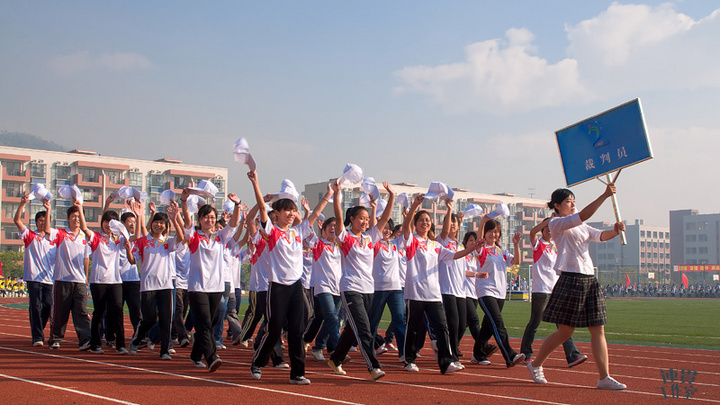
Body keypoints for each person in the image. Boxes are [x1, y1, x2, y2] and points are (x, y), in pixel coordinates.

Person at [527, 184, 627, 390]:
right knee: (565, 332)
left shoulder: (581, 226)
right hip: (571, 279)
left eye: (573, 200)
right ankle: (535, 364)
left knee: (598, 329)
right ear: (557, 206)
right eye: (568, 201)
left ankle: (604, 377)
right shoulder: (556, 223)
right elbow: (583, 215)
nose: (572, 204)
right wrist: (605, 195)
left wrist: (615, 232)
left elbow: (599, 235)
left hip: (589, 279)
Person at [248, 171, 330, 385]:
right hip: (277, 287)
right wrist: (256, 182)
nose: (291, 214)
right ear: (278, 212)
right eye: (287, 211)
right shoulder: (272, 232)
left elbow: (314, 215)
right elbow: (262, 209)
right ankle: (258, 362)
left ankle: (297, 373)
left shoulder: (298, 232)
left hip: (296, 286)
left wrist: (328, 195)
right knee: (274, 329)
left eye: (293, 211)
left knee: (296, 330)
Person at [327, 181, 395, 380]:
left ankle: (335, 359)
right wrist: (337, 195)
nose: (365, 222)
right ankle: (373, 367)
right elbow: (339, 217)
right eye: (361, 218)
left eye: (367, 219)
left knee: (351, 330)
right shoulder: (345, 237)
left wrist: (390, 196)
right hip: (350, 288)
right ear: (352, 220)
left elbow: (385, 218)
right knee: (364, 330)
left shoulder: (370, 237)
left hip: (368, 290)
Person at [401, 195, 477, 374]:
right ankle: (409, 360)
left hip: (434, 294)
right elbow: (405, 226)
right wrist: (414, 207)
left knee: (442, 328)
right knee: (413, 328)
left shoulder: (435, 245)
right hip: (415, 293)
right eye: (421, 220)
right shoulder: (412, 240)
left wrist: (471, 249)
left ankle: (445, 362)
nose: (425, 223)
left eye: (427, 220)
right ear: (416, 223)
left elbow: (454, 255)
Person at [181, 189, 242, 371]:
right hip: (198, 287)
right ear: (200, 220)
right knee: (205, 323)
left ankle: (195, 355)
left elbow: (234, 223)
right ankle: (211, 356)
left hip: (216, 287)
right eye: (206, 217)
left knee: (209, 322)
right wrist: (184, 201)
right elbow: (185, 218)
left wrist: (237, 205)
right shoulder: (193, 236)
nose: (210, 220)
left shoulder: (220, 237)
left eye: (212, 217)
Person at [520, 217, 586, 367]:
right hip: (541, 290)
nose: (549, 231)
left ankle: (573, 356)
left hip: (556, 289)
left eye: (551, 228)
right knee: (535, 322)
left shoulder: (556, 246)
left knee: (562, 324)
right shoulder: (538, 245)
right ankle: (526, 353)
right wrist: (548, 221)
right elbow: (532, 233)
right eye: (547, 228)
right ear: (543, 230)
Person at [129, 201, 184, 360]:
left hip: (166, 285)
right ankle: (137, 339)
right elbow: (133, 260)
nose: (159, 225)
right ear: (151, 223)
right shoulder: (142, 241)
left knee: (167, 319)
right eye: (156, 222)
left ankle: (164, 350)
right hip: (147, 286)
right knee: (149, 318)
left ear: (166, 226)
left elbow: (181, 238)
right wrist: (127, 249)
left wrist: (174, 219)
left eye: (162, 223)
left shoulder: (167, 241)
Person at [78, 201, 134, 354]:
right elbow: (84, 228)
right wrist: (79, 207)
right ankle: (96, 344)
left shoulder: (119, 239)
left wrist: (127, 242)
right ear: (102, 223)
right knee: (99, 312)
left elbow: (132, 251)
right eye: (106, 222)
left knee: (117, 311)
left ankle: (120, 344)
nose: (108, 225)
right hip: (98, 281)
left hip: (115, 281)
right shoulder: (96, 237)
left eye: (111, 222)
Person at [471, 217, 525, 368]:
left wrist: (516, 245)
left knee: (488, 327)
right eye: (490, 231)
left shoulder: (501, 251)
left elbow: (516, 262)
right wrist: (482, 223)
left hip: (500, 293)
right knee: (498, 322)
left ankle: (477, 353)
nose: (493, 235)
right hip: (485, 290)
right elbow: (479, 239)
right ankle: (510, 355)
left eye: (496, 232)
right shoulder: (481, 249)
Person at [46, 200, 92, 351]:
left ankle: (85, 340)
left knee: (81, 312)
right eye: (73, 216)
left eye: (79, 216)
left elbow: (86, 258)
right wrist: (47, 209)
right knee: (61, 311)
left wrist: (85, 277)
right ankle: (56, 338)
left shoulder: (85, 237)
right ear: (68, 218)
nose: (76, 219)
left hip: (79, 281)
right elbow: (47, 230)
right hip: (63, 279)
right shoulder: (61, 234)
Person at [14, 193, 55, 347]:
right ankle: (37, 336)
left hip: (49, 278)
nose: (42, 223)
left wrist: (48, 208)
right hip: (33, 278)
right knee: (35, 305)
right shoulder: (30, 236)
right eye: (40, 221)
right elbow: (17, 220)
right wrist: (22, 204)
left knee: (48, 305)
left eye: (45, 221)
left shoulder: (54, 239)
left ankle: (38, 328)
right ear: (36, 222)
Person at [302, 216, 342, 361]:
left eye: (336, 226)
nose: (333, 228)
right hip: (323, 286)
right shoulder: (319, 244)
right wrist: (307, 214)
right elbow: (306, 230)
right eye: (330, 226)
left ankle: (318, 347)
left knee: (332, 319)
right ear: (323, 230)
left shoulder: (342, 245)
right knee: (331, 316)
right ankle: (339, 349)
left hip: (339, 287)